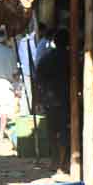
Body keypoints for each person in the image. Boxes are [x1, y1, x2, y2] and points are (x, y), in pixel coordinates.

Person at [36, 29, 70, 173]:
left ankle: (56, 160)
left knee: (52, 130)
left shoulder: (46, 58)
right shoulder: (71, 58)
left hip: (50, 99)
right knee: (64, 130)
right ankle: (63, 161)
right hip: (66, 98)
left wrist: (38, 99)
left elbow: (38, 79)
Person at [16, 29, 37, 115]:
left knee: (28, 91)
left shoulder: (22, 42)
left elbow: (21, 57)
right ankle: (29, 110)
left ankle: (27, 111)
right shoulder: (32, 40)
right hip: (31, 70)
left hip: (26, 69)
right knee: (30, 91)